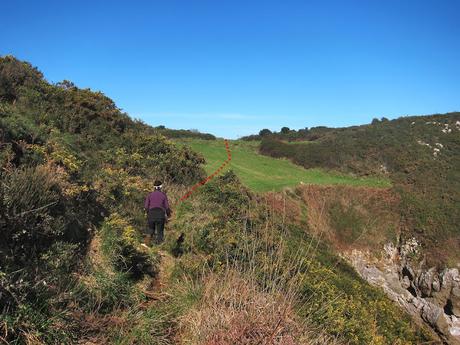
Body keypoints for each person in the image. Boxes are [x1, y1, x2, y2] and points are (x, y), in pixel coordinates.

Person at [143, 180, 171, 246]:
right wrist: (169, 215)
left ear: (153, 187)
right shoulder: (163, 195)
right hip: (160, 214)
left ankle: (147, 244)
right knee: (160, 231)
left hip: (151, 214)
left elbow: (146, 206)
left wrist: (147, 213)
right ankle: (159, 246)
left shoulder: (149, 195)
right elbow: (167, 207)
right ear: (161, 187)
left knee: (151, 229)